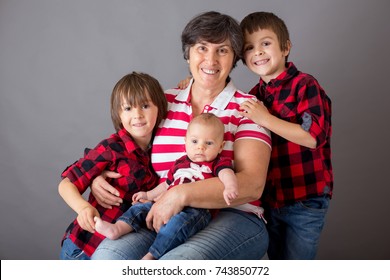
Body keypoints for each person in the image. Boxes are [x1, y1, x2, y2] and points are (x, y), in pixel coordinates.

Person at [90, 11, 272, 260]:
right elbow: (123, 148)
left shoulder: (248, 108)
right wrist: (97, 175)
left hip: (234, 215)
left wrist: (180, 193)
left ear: (234, 59)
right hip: (162, 212)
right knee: (107, 259)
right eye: (201, 48)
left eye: (223, 50)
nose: (211, 60)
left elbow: (253, 185)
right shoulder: (162, 101)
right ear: (188, 54)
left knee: (176, 266)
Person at [239, 12, 333, 259]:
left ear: (286, 47)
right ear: (243, 58)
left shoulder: (305, 85)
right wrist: (191, 85)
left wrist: (265, 119)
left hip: (305, 198)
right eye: (249, 47)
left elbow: (313, 136)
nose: (258, 52)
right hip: (270, 200)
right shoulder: (252, 97)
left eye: (265, 43)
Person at [94, 113, 238, 260]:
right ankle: (118, 228)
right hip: (165, 203)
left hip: (196, 209)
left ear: (221, 147)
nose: (200, 148)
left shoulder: (217, 163)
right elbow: (166, 184)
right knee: (139, 208)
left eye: (208, 143)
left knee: (178, 226)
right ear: (185, 142)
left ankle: (153, 255)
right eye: (194, 141)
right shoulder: (180, 163)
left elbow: (227, 174)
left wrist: (230, 186)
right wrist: (148, 195)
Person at [58, 71, 167, 260]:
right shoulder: (111, 148)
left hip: (123, 249)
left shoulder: (159, 152)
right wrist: (83, 209)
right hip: (84, 248)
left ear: (160, 108)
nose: (138, 115)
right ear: (118, 114)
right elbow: (66, 184)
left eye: (145, 105)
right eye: (128, 109)